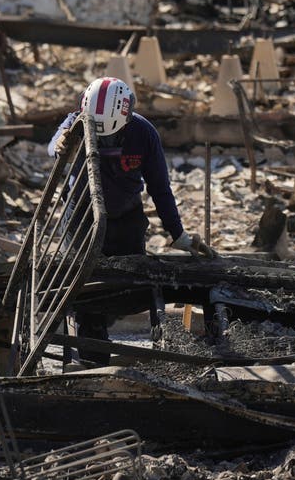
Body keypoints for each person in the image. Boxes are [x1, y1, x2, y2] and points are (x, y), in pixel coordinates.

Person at [48, 76, 206, 362]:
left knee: (126, 285)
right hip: (82, 218)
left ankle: (103, 326)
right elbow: (53, 148)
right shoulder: (76, 123)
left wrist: (177, 233)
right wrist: (62, 143)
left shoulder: (143, 134)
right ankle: (91, 357)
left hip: (126, 218)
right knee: (87, 291)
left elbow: (160, 187)